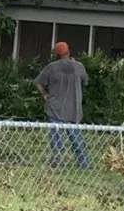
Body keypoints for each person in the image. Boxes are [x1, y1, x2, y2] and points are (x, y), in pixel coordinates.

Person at [34, 41, 89, 169]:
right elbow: (85, 82)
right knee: (76, 139)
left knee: (56, 140)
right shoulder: (79, 67)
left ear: (57, 54)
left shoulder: (51, 67)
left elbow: (37, 82)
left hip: (55, 109)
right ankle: (84, 165)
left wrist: (45, 95)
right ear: (68, 51)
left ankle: (58, 163)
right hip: (73, 109)